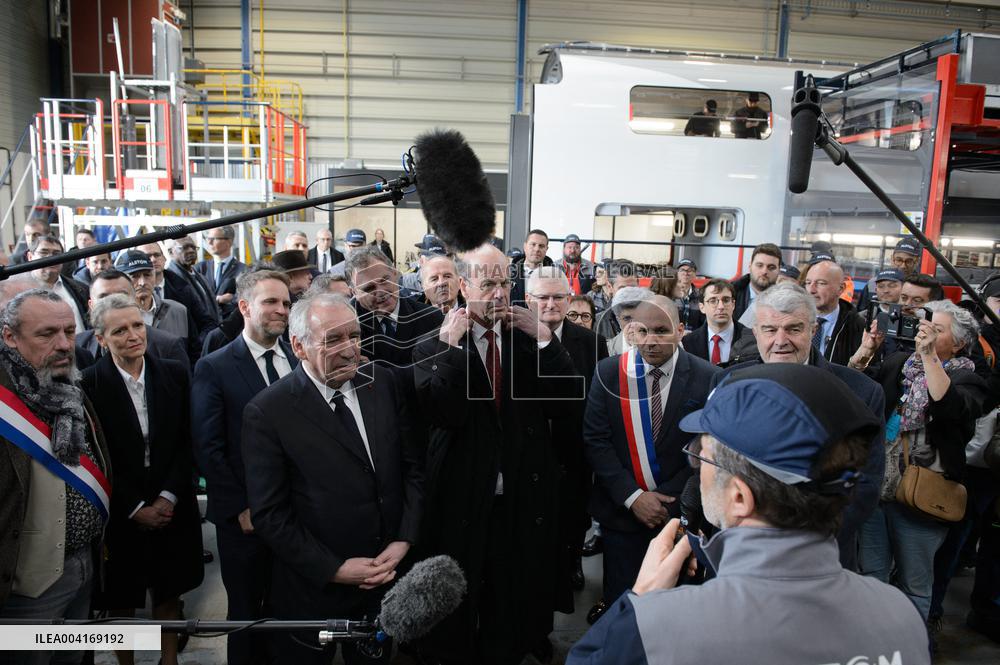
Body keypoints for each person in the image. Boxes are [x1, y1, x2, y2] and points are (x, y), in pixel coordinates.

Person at [567, 363, 931, 665]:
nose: (696, 466)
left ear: (739, 497)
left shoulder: (660, 627)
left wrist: (641, 598)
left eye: (704, 456)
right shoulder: (899, 614)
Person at [412, 243, 577, 665]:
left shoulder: (527, 341)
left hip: (518, 500)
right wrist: (448, 351)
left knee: (510, 601)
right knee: (459, 606)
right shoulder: (434, 343)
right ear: (464, 287)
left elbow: (566, 404)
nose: (500, 293)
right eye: (488, 284)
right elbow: (440, 413)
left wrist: (546, 341)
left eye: (505, 282)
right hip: (463, 502)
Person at [242, 293, 423, 665]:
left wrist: (404, 539)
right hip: (312, 590)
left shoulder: (383, 383)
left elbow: (413, 469)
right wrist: (335, 569)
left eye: (355, 336)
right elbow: (270, 515)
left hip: (384, 579)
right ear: (299, 347)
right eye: (334, 340)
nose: (350, 350)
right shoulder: (268, 411)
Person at [719, 282, 885, 569]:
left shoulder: (861, 392)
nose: (780, 340)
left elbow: (865, 484)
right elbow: (714, 470)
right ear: (756, 332)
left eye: (794, 329)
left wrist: (803, 540)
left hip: (822, 554)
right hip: (742, 550)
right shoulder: (727, 383)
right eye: (770, 330)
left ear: (813, 331)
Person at [81, 294, 203, 665]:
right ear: (101, 339)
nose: (134, 335)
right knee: (122, 596)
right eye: (120, 330)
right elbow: (96, 457)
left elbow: (188, 439)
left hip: (172, 499)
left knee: (168, 589)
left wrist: (168, 497)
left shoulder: (175, 373)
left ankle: (169, 660)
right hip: (121, 506)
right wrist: (134, 507)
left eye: (137, 325)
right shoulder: (88, 384)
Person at [583, 295, 719, 624]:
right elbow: (596, 440)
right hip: (623, 518)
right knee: (622, 611)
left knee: (674, 616)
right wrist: (634, 498)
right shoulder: (608, 372)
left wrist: (668, 503)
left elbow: (709, 450)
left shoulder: (709, 377)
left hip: (682, 519)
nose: (651, 340)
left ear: (681, 330)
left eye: (662, 330)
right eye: (642, 330)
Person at [856, 299, 988, 621]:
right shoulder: (900, 362)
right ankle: (875, 644)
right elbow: (854, 390)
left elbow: (949, 406)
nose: (924, 334)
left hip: (923, 496)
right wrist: (865, 351)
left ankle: (913, 646)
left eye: (936, 330)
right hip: (879, 489)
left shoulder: (969, 381)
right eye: (924, 327)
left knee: (915, 583)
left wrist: (929, 357)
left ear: (958, 344)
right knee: (872, 576)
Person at [0, 290, 112, 665]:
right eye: (47, 334)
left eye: (68, 330)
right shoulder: (5, 400)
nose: (64, 344)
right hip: (27, 585)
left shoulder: (67, 386)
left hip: (83, 568)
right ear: (9, 337)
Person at [192, 269, 296, 665]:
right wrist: (241, 508)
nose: (281, 310)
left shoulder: (297, 357)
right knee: (247, 615)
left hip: (296, 514)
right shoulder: (215, 366)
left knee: (290, 613)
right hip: (245, 520)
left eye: (286, 303)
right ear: (244, 306)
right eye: (271, 302)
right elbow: (208, 446)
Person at [525, 267, 608, 606]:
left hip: (574, 447)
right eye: (542, 297)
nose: (550, 304)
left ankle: (572, 561)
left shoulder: (591, 341)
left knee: (573, 516)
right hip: (530, 451)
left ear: (569, 299)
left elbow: (599, 396)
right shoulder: (515, 337)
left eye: (558, 297)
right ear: (529, 300)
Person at [75, 271, 190, 374]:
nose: (114, 303)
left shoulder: (167, 346)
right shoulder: (78, 347)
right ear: (91, 305)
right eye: (104, 298)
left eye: (121, 296)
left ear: (135, 299)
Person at [137, 241, 214, 348]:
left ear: (164, 259)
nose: (153, 259)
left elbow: (207, 323)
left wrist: (194, 348)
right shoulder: (130, 293)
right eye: (147, 256)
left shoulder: (183, 287)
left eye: (157, 255)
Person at [115, 251, 190, 346]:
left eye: (147, 275)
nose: (142, 282)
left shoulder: (178, 311)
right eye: (134, 276)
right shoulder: (115, 317)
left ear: (154, 276)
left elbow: (192, 350)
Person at [804, 259, 865, 367]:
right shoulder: (791, 319)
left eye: (821, 283)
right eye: (808, 283)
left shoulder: (858, 327)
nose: (811, 290)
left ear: (841, 289)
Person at [681, 278, 752, 367]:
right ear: (702, 307)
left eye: (726, 300)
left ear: (733, 304)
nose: (721, 306)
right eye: (713, 301)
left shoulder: (751, 339)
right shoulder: (688, 343)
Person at [26, 235, 90, 332]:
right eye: (44, 252)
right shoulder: (18, 290)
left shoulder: (79, 288)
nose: (51, 258)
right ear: (30, 256)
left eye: (56, 254)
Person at [165, 236, 220, 326]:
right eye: (185, 247)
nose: (191, 250)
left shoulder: (199, 276)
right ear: (171, 252)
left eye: (193, 247)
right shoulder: (170, 281)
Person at [195, 225, 248, 319]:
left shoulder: (243, 270)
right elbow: (195, 297)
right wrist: (219, 299)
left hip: (230, 324)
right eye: (208, 238)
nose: (209, 242)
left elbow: (244, 297)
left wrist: (232, 299)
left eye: (214, 239)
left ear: (229, 242)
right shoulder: (200, 268)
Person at [858, 237, 924, 311]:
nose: (903, 266)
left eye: (909, 261)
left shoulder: (924, 287)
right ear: (892, 259)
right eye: (899, 260)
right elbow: (860, 316)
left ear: (917, 261)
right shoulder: (872, 284)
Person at [732, 242, 782, 323]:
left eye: (771, 267)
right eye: (759, 265)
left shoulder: (786, 302)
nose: (764, 271)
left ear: (779, 270)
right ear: (750, 266)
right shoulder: (729, 294)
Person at [594, 259, 639, 343]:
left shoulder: (651, 319)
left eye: (632, 288)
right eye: (622, 289)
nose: (628, 294)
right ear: (610, 287)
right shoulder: (597, 323)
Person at [605, 286, 654, 356]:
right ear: (618, 320)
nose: (634, 324)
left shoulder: (666, 347)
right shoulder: (606, 351)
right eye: (627, 319)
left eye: (640, 317)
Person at [510, 229, 554, 303]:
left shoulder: (555, 276)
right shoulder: (509, 274)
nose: (537, 249)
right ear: (525, 246)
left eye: (541, 246)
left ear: (546, 249)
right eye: (533, 244)